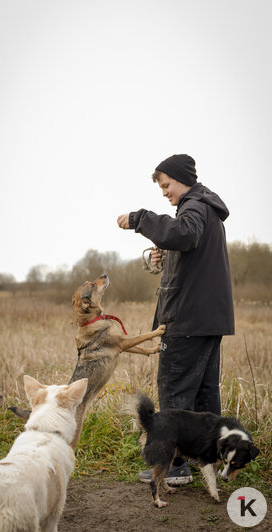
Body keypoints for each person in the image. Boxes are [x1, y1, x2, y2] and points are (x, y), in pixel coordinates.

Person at [117, 154, 234, 485]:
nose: (165, 193)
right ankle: (210, 460)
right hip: (208, 321)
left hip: (186, 322)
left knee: (175, 394)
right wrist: (166, 257)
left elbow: (184, 234)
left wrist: (141, 219)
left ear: (183, 179)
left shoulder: (194, 207)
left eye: (167, 185)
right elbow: (187, 245)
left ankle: (176, 468)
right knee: (204, 397)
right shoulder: (205, 209)